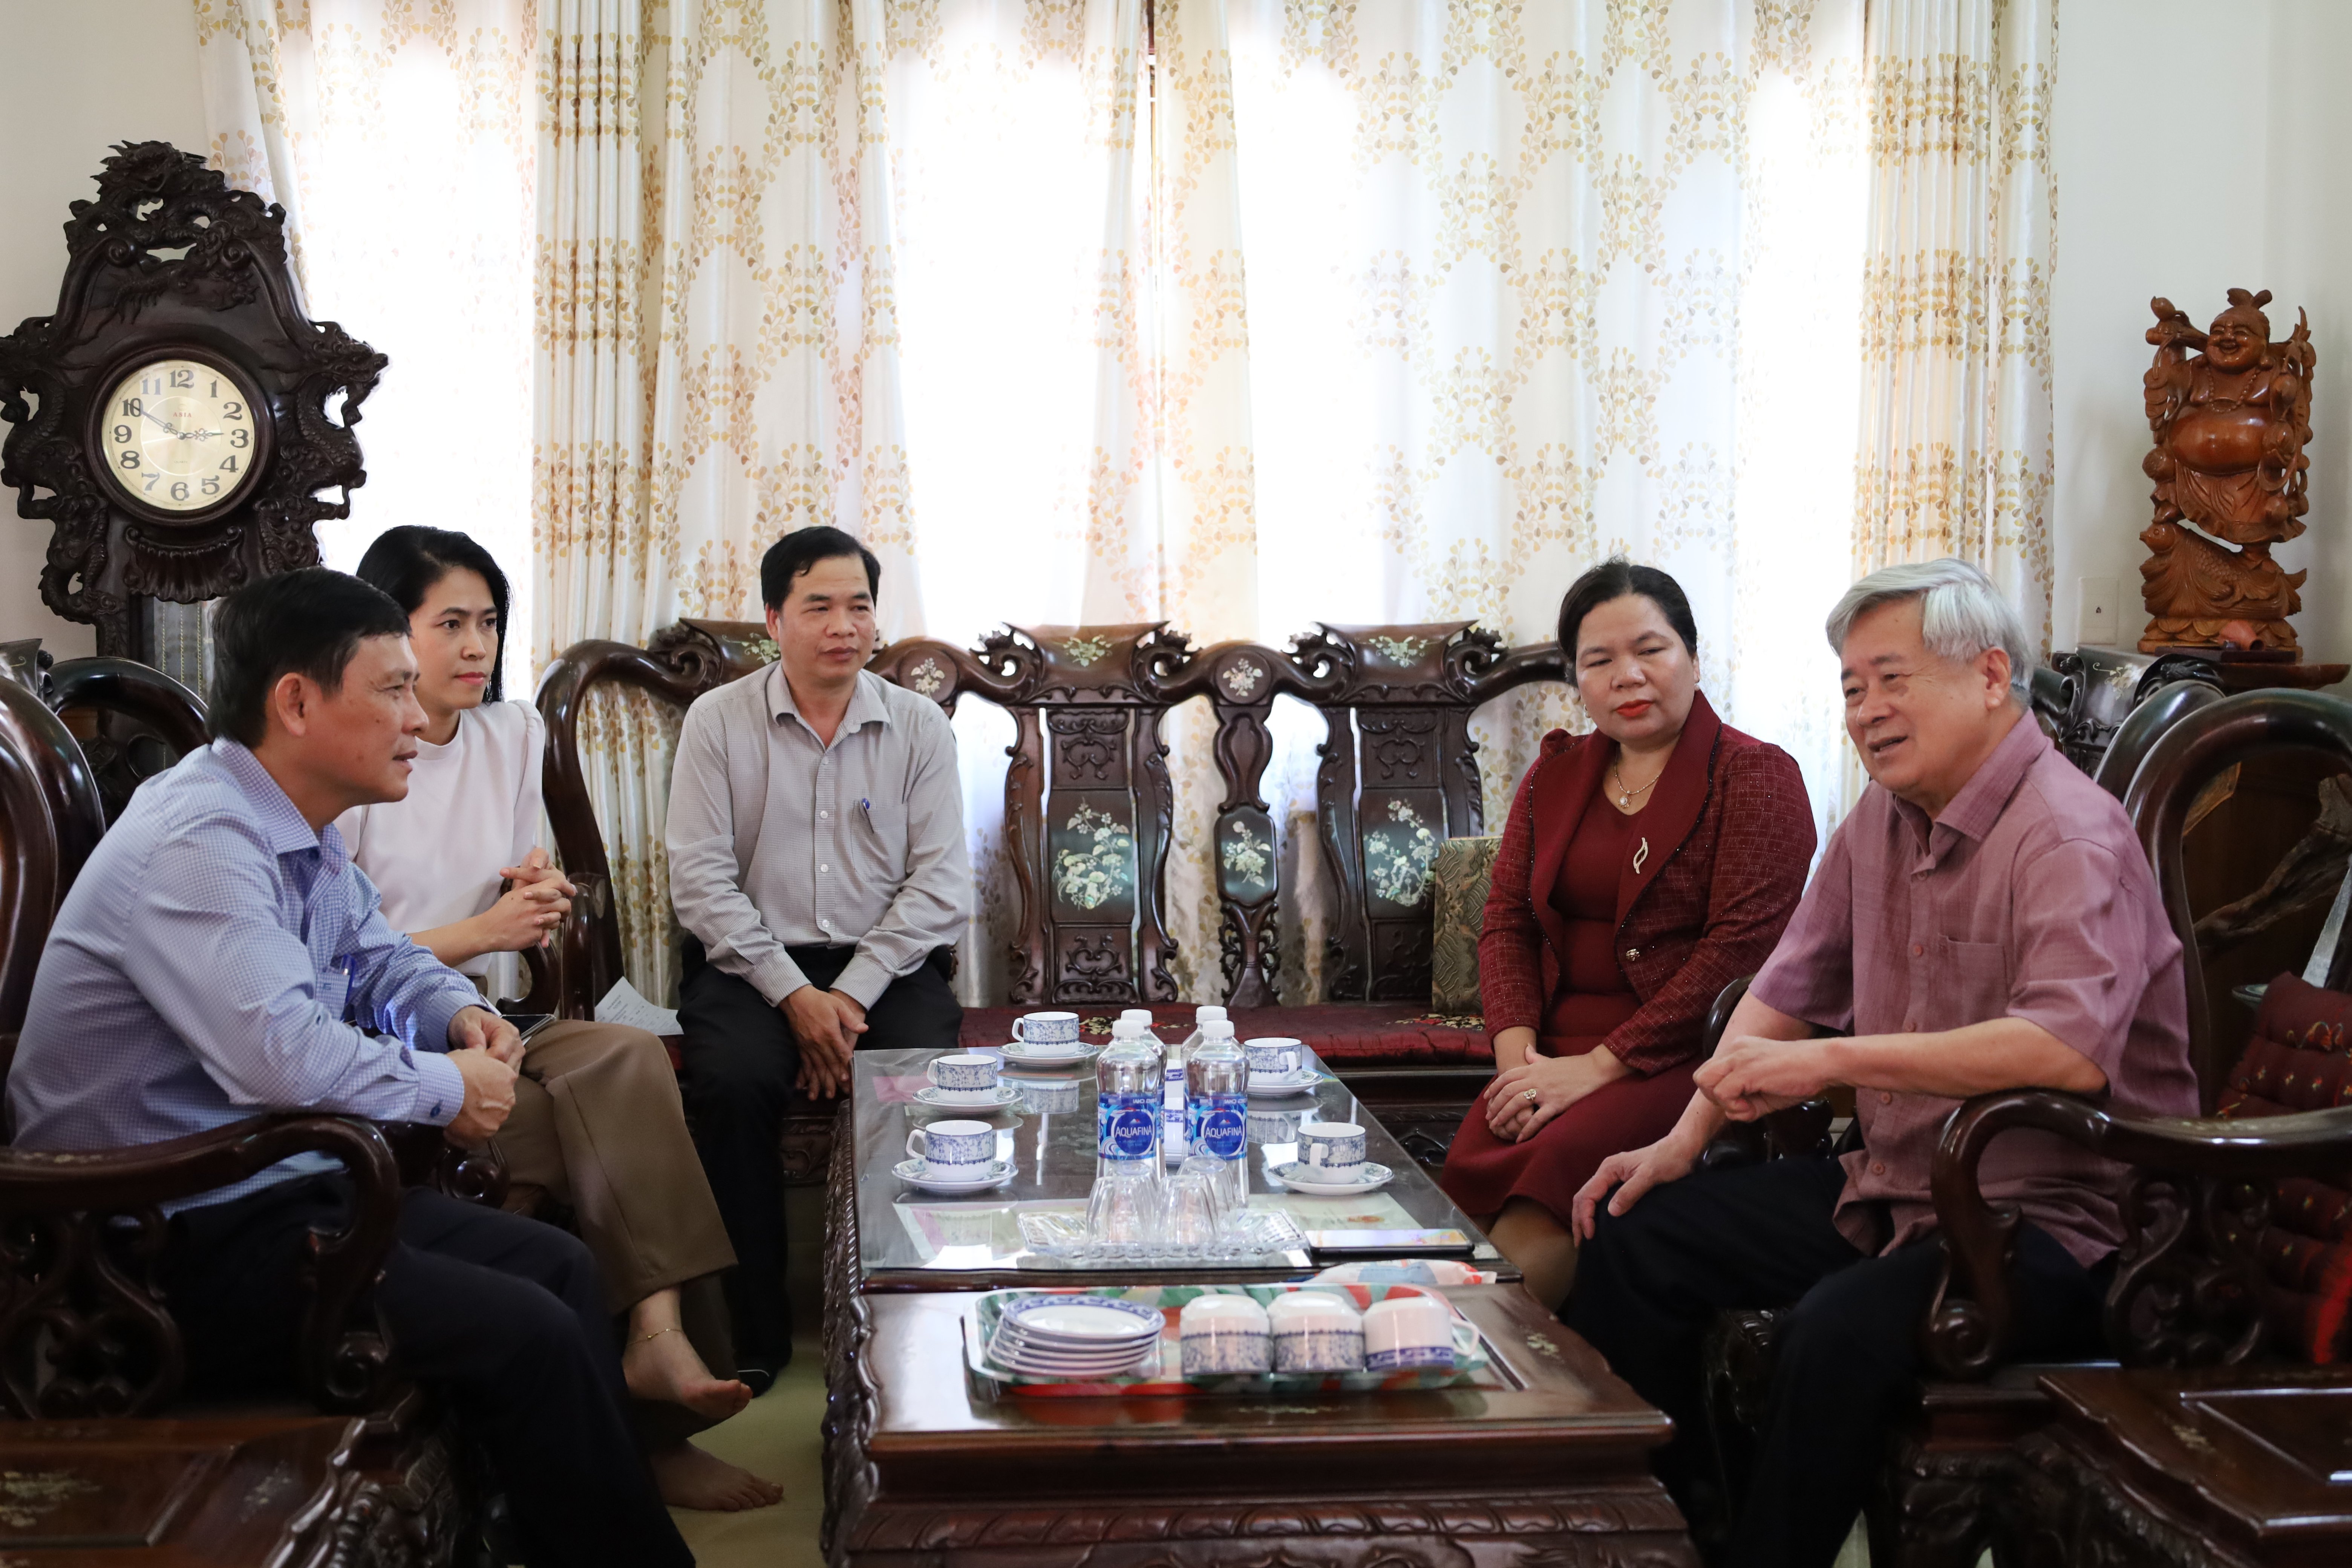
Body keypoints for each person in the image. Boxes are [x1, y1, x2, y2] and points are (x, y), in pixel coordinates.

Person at [6, 569, 695, 1568]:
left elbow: (380, 957)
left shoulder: (296, 825)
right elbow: (283, 1053)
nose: (419, 718)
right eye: (392, 691)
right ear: (296, 701)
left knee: (561, 1265)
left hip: (266, 1192)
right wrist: (450, 1091)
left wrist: (459, 1013)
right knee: (529, 1331)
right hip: (147, 1244)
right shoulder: (199, 839)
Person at [1564, 557, 2202, 1568]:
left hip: (2054, 1227)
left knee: (1836, 1332)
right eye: (1853, 687)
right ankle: (1662, 1537)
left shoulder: (2069, 834)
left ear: (1992, 676)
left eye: (1893, 679)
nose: (1866, 711)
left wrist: (1832, 1068)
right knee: (1638, 1234)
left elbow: (2065, 1050)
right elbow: (1785, 987)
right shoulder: (1880, 819)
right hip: (1901, 1185)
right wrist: (1679, 1144)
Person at [340, 525, 778, 1511]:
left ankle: (658, 1345)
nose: (475, 646)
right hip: (387, 1039)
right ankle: (655, 1435)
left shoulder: (510, 734)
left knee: (628, 1062)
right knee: (591, 1133)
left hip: (490, 1015)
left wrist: (535, 891)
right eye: (447, 622)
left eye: (488, 622)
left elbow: (519, 873)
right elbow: (346, 960)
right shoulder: (358, 750)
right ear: (384, 633)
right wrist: (483, 927)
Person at [1438, 559, 1815, 1308]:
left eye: (1651, 649)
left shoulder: (1758, 778)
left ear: (1695, 657)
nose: (1627, 676)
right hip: (1549, 1055)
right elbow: (1507, 924)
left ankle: (1525, 1403)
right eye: (1599, 660)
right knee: (1461, 1224)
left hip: (1684, 1058)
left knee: (1529, 1220)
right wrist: (1519, 1062)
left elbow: (1738, 956)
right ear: (1578, 678)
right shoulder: (1554, 776)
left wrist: (1599, 1068)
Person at [667, 524, 971, 1376]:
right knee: (733, 1085)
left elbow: (941, 888)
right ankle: (757, 1341)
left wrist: (851, 996)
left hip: (888, 964)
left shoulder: (917, 727)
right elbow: (699, 883)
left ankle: (903, 1322)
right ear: (774, 619)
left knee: (913, 1078)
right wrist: (796, 995)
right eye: (820, 606)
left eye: (861, 606)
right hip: (751, 964)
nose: (845, 625)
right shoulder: (718, 723)